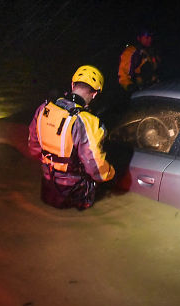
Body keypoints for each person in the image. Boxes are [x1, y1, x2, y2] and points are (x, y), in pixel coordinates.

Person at [28, 65, 115, 210]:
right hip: (75, 191)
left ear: (73, 85)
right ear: (94, 94)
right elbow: (96, 169)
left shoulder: (43, 109)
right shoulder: (88, 122)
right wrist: (111, 173)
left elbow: (33, 148)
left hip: (47, 183)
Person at [118, 27, 160, 92]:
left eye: (150, 37)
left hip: (154, 88)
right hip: (139, 90)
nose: (149, 39)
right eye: (146, 37)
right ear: (139, 38)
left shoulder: (151, 51)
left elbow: (156, 68)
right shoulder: (131, 51)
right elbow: (122, 73)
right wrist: (129, 86)